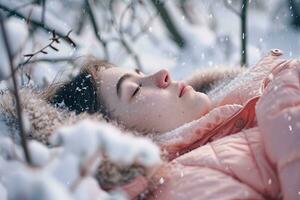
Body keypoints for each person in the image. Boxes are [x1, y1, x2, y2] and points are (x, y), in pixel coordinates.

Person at [1, 49, 299, 199]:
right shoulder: (182, 185)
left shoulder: (236, 111)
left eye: (140, 72)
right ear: (119, 136)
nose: (162, 74)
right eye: (135, 90)